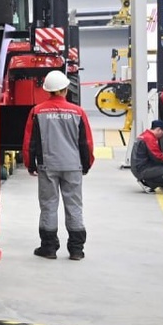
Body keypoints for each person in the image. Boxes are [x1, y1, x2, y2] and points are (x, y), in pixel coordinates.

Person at [22, 70, 94, 261]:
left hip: (48, 166)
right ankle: (76, 250)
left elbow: (30, 142)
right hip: (73, 166)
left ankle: (49, 248)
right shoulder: (78, 112)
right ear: (66, 89)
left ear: (47, 90)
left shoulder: (37, 111)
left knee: (48, 206)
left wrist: (30, 164)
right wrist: (86, 164)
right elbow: (86, 142)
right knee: (74, 206)